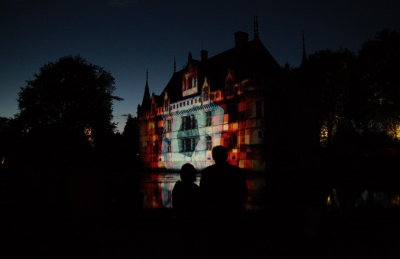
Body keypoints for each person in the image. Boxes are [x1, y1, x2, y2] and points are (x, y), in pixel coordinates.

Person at [199, 145, 248, 258]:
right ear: (226, 156)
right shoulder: (236, 172)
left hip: (214, 214)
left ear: (213, 157)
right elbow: (243, 193)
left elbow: (203, 195)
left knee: (215, 245)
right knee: (232, 245)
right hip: (233, 214)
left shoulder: (207, 173)